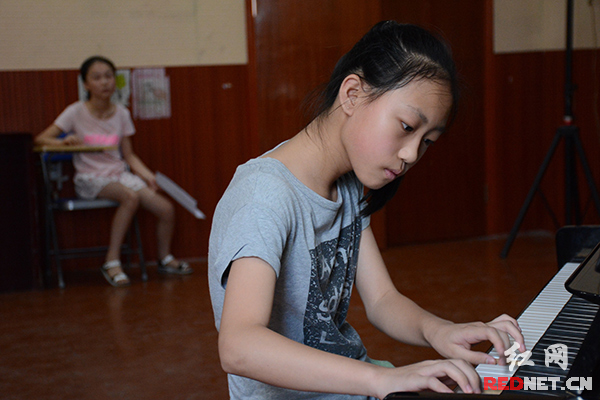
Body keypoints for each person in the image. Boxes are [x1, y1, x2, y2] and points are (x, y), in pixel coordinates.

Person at [208, 21, 525, 399]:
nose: (411, 154)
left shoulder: (346, 185)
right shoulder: (264, 197)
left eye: (427, 141)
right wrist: (381, 380)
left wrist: (438, 331)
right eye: (406, 126)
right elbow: (239, 346)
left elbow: (382, 300)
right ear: (352, 94)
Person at [35, 56, 192, 287]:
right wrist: (63, 141)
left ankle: (164, 258)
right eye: (97, 77)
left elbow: (129, 155)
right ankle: (111, 261)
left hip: (119, 174)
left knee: (166, 208)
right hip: (90, 177)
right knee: (130, 197)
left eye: (109, 76)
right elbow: (41, 139)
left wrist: (148, 177)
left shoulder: (121, 113)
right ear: (86, 84)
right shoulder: (75, 111)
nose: (104, 82)